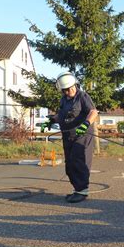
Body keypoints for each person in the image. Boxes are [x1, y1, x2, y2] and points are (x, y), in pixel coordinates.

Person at [42, 72, 98, 203]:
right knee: (69, 164)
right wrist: (52, 120)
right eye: (66, 90)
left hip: (81, 135)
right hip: (67, 135)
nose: (69, 91)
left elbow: (93, 112)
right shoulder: (64, 100)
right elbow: (61, 115)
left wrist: (86, 123)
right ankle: (77, 189)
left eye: (71, 88)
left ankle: (82, 191)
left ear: (75, 85)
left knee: (78, 161)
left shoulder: (83, 96)